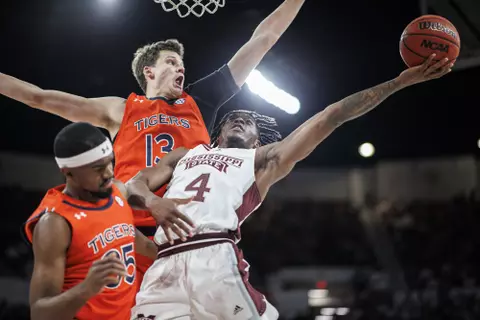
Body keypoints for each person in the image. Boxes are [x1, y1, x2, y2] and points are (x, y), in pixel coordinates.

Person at [0, 0, 307, 283]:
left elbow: (264, 38)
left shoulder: (200, 101)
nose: (181, 68)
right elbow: (37, 97)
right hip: (128, 232)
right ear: (149, 71)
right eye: (172, 62)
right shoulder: (120, 109)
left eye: (181, 64)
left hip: (186, 233)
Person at [125, 55, 452, 319]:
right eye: (233, 118)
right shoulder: (185, 155)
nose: (241, 120)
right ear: (217, 132)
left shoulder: (262, 161)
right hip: (164, 265)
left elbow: (332, 116)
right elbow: (133, 185)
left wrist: (399, 82)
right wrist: (153, 203)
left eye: (249, 123)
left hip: (214, 256)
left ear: (256, 141)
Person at [22, 122, 193, 320]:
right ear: (68, 172)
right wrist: (86, 288)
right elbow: (39, 313)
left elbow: (140, 242)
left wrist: (153, 202)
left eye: (110, 162)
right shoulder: (54, 224)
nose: (109, 173)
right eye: (98, 168)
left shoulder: (115, 191)